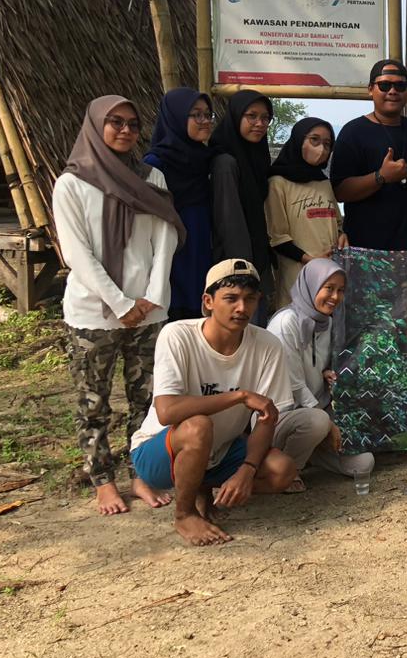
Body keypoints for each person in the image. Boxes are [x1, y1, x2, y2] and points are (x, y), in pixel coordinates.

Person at [52, 95, 184, 516]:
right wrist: (119, 302)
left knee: (147, 400)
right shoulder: (72, 184)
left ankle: (140, 474)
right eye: (115, 122)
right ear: (96, 126)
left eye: (132, 123)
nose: (125, 130)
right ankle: (103, 481)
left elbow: (165, 237)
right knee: (94, 402)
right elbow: (76, 253)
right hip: (93, 314)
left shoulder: (151, 176)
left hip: (149, 310)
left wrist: (153, 297)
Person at [129, 259, 298, 546]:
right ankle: (184, 514)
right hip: (159, 452)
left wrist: (247, 469)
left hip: (219, 451)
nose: (241, 308)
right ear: (208, 302)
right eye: (231, 299)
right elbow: (167, 411)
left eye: (249, 299)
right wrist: (239, 396)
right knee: (198, 426)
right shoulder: (178, 335)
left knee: (283, 471)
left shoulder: (267, 345)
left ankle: (201, 486)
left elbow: (267, 417)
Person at [266, 259, 376, 490]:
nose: (335, 297)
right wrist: (327, 424)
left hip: (317, 413)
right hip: (281, 417)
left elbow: (318, 364)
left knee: (364, 463)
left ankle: (310, 454)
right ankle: (288, 471)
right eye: (328, 288)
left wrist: (326, 373)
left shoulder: (326, 323)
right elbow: (294, 385)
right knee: (318, 422)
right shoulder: (286, 322)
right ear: (311, 285)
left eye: (340, 290)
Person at [331, 59, 407, 250]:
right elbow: (339, 192)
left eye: (400, 86)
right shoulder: (353, 132)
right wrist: (381, 177)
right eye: (384, 85)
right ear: (370, 89)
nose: (393, 91)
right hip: (368, 248)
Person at [144, 88, 214, 321]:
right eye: (197, 115)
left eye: (208, 114)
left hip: (201, 247)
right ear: (176, 117)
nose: (205, 121)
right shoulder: (156, 163)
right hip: (172, 253)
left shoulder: (207, 159)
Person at [265, 117, 345, 309]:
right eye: (314, 140)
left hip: (329, 274)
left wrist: (342, 235)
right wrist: (312, 261)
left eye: (327, 144)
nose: (321, 149)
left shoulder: (324, 183)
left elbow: (336, 222)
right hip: (297, 274)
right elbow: (277, 238)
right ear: (298, 140)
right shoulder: (277, 183)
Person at [209, 90, 275, 322]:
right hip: (238, 273)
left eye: (265, 118)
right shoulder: (225, 163)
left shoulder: (257, 158)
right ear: (236, 116)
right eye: (252, 116)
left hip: (257, 262)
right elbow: (230, 223)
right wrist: (245, 274)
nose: (260, 123)